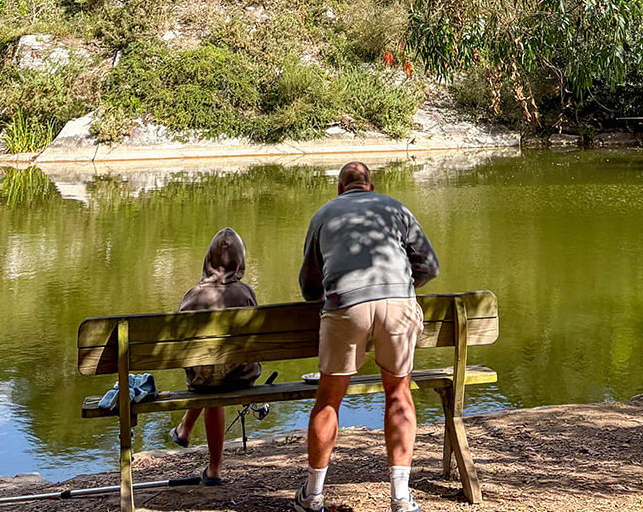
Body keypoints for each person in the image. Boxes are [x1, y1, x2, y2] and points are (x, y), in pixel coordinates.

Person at [295, 161, 439, 512]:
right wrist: (399, 286)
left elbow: (309, 287)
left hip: (346, 308)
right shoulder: (396, 208)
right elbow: (429, 266)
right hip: (398, 308)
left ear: (339, 189)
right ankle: (401, 498)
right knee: (398, 395)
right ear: (370, 186)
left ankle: (313, 495)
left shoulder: (323, 215)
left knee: (329, 400)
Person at [167, 228, 262, 484]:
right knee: (218, 370)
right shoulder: (245, 294)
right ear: (240, 260)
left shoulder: (193, 296)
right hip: (241, 376)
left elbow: (177, 344)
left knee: (208, 374)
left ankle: (209, 462)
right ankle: (209, 462)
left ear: (208, 259)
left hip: (202, 380)